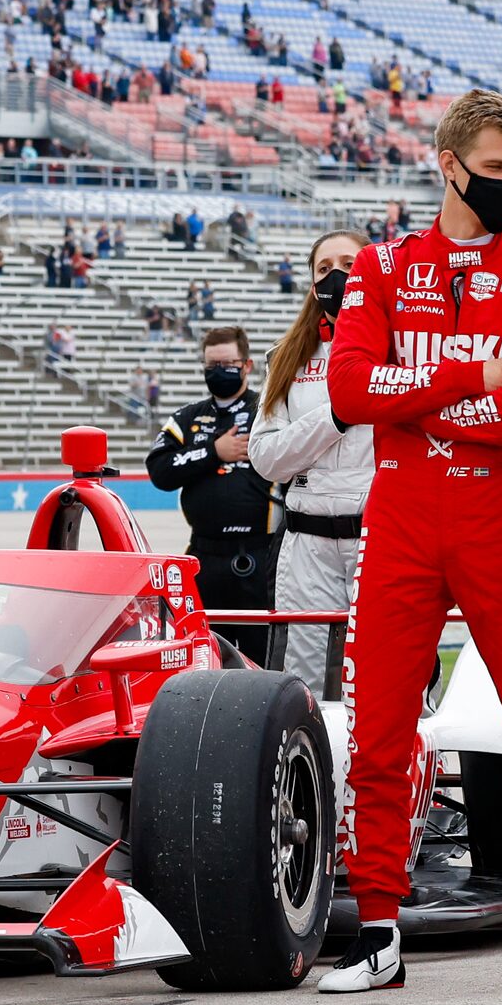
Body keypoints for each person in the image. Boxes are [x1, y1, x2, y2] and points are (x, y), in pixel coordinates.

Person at [318, 89, 502, 994]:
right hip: (397, 522)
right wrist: (473, 372)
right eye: (498, 168)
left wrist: (422, 395)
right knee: (376, 738)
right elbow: (349, 393)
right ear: (449, 165)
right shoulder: (382, 266)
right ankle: (379, 931)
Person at [248, 230, 374, 689]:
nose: (337, 275)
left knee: (390, 675)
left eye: (349, 263)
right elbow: (265, 459)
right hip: (305, 543)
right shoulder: (287, 359)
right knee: (302, 686)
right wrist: (336, 415)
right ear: (312, 284)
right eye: (324, 269)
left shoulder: (407, 351)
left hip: (380, 540)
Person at [144, 326, 277, 629]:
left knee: (262, 655)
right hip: (204, 555)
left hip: (261, 555)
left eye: (228, 365)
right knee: (207, 651)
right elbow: (159, 470)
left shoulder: (269, 411)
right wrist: (213, 451)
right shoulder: (187, 418)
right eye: (212, 365)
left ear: (247, 365)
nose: (219, 372)